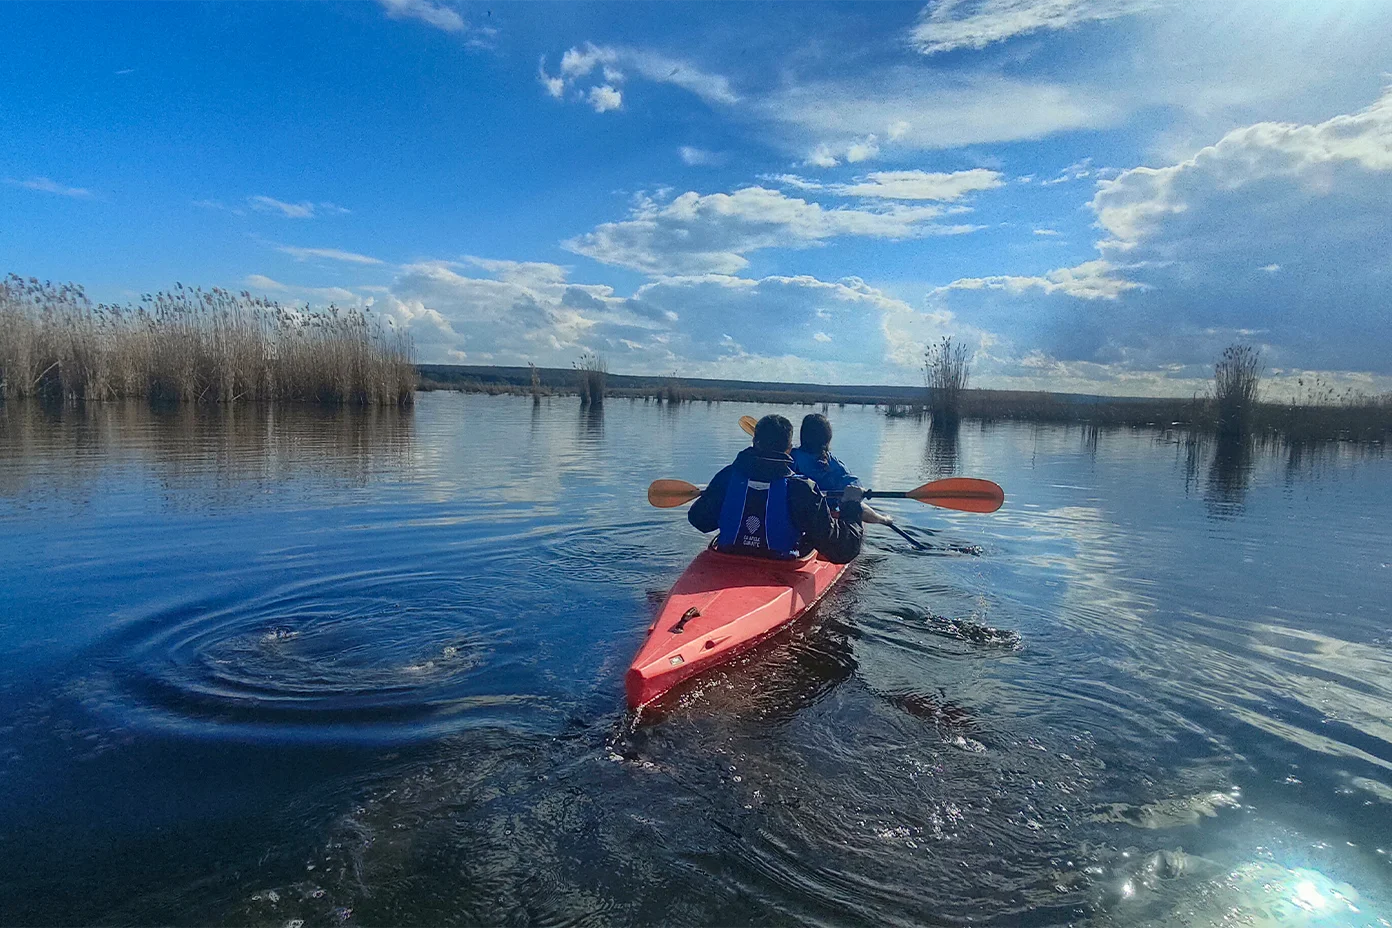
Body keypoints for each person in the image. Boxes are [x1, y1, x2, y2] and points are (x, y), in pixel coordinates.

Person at [688, 414, 864, 564]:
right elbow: (843, 551)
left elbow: (699, 520)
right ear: (788, 449)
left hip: (728, 557)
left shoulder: (727, 476)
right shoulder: (802, 489)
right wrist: (851, 507)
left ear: (754, 442)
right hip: (782, 564)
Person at [791, 413, 859, 495]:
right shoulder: (835, 465)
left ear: (803, 435)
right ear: (828, 438)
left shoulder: (791, 458)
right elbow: (854, 485)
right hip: (828, 506)